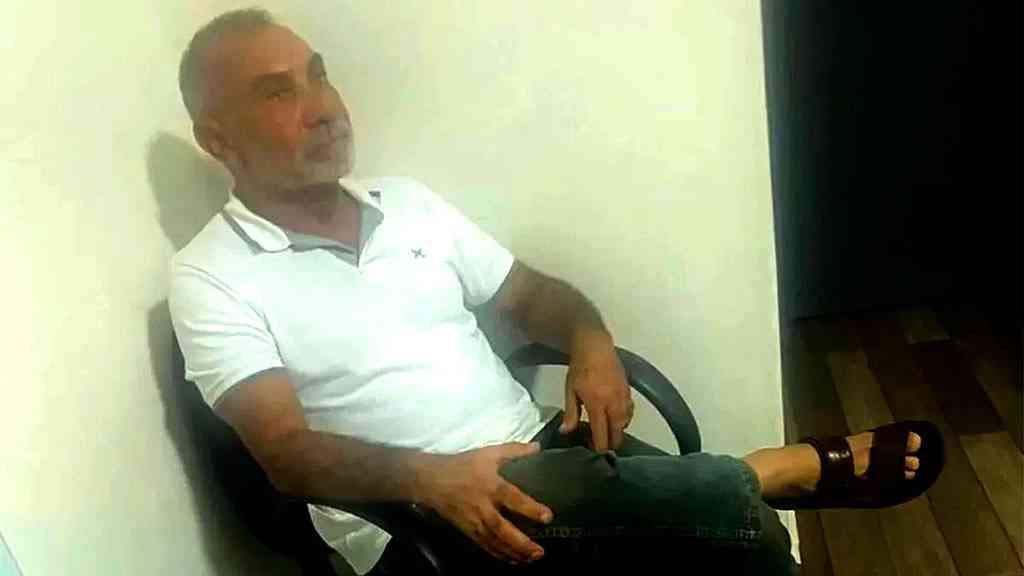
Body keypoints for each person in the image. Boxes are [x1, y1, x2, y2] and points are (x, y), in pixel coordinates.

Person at [169, 9, 943, 575]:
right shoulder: (211, 276)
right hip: (417, 516)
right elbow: (287, 454)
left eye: (319, 74)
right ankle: (773, 470)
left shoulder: (404, 202)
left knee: (725, 535)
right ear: (217, 139)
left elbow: (534, 295)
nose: (324, 107)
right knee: (739, 522)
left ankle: (747, 479)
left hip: (541, 444)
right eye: (278, 93)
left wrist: (591, 342)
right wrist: (430, 477)